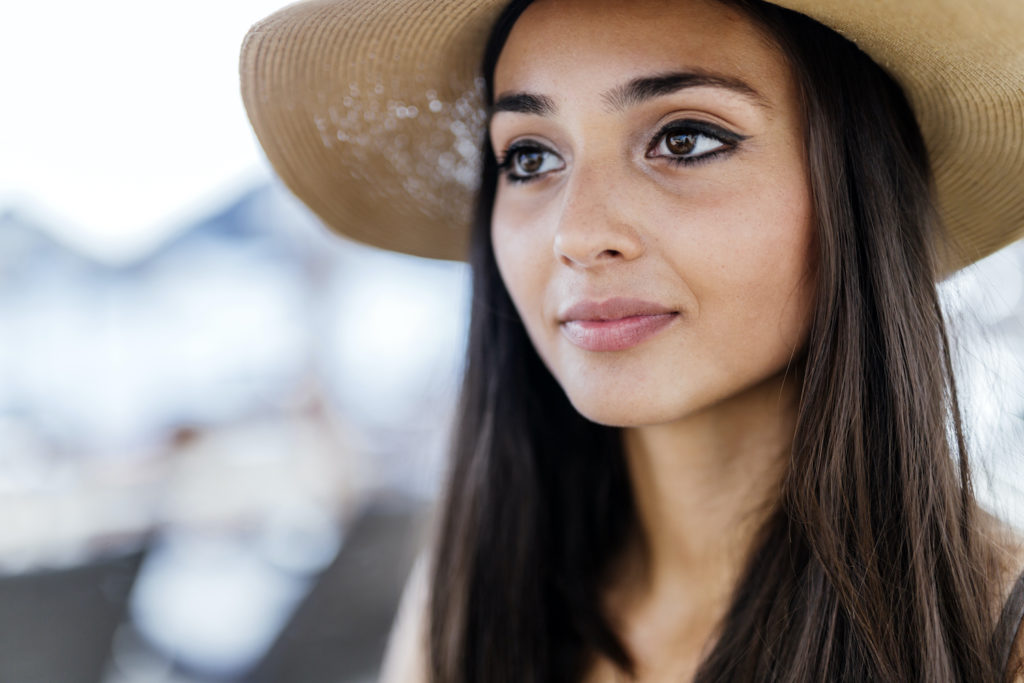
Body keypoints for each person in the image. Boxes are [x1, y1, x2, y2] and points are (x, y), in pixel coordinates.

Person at [239, 0, 1024, 680]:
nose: (577, 235)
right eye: (531, 156)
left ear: (856, 184)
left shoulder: (996, 637)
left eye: (684, 140)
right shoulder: (466, 604)